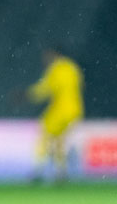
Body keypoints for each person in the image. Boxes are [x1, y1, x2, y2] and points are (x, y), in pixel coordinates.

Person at [24, 46, 84, 182]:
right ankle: (61, 172)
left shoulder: (56, 69)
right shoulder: (72, 67)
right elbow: (80, 84)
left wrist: (27, 95)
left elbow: (44, 89)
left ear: (53, 54)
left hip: (60, 110)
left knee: (45, 135)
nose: (45, 60)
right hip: (75, 109)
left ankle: (39, 169)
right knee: (59, 140)